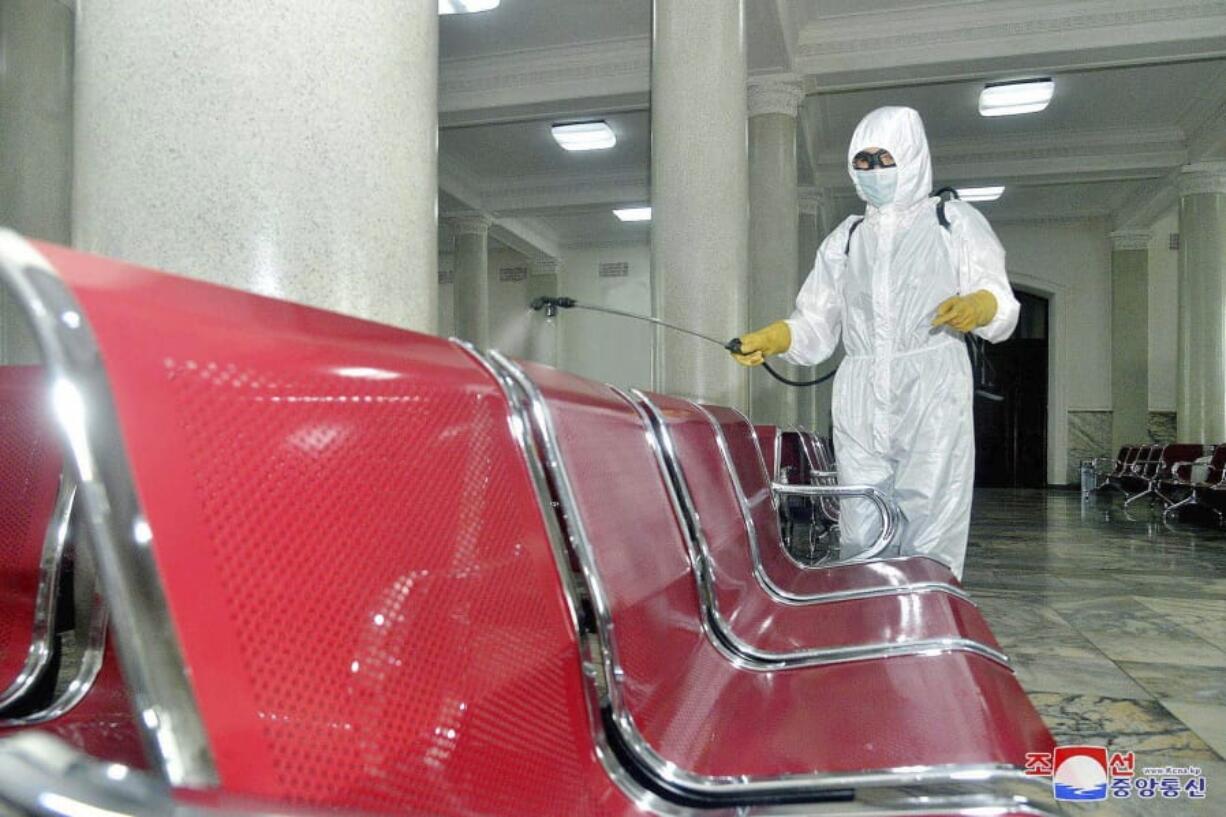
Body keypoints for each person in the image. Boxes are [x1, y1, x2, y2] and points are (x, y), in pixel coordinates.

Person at [731, 105, 1018, 579]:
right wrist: (777, 336)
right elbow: (816, 323)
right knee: (860, 519)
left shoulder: (952, 220)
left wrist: (980, 306)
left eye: (884, 159)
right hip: (860, 388)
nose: (873, 172)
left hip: (931, 383)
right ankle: (868, 616)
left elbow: (1002, 303)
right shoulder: (846, 238)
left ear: (911, 157)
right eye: (862, 162)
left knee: (932, 516)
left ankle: (925, 621)